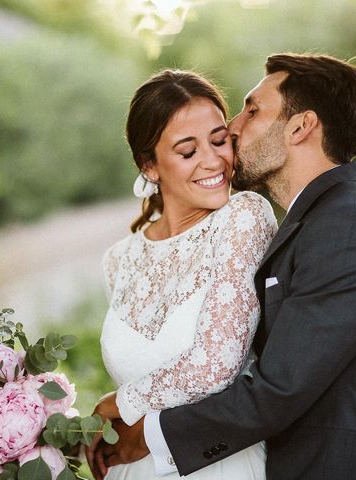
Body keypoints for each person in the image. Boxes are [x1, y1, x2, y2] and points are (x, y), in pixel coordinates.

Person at [89, 53, 356, 480]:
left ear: (301, 127)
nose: (234, 126)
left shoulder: (350, 228)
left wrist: (138, 419)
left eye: (252, 110)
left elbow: (277, 388)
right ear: (149, 165)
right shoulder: (324, 220)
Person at [92, 69, 278, 479]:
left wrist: (118, 403)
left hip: (220, 465)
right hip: (132, 468)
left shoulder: (243, 218)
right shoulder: (118, 260)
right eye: (187, 151)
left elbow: (216, 364)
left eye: (219, 140)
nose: (214, 161)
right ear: (150, 166)